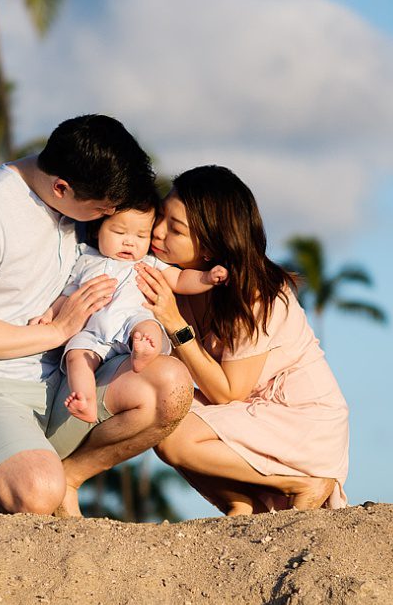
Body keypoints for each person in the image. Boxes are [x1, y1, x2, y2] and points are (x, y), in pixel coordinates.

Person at [0, 114, 195, 517]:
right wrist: (60, 330)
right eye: (102, 208)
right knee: (35, 493)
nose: (109, 217)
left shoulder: (77, 197)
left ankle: (66, 478)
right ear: (61, 188)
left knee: (169, 388)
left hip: (60, 381)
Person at [137, 165, 349, 514]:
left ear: (209, 247)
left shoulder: (254, 291)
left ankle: (302, 481)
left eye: (174, 229)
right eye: (161, 217)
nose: (157, 232)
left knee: (174, 436)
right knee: (157, 414)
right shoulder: (179, 280)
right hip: (245, 413)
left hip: (302, 420)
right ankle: (241, 507)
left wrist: (173, 321)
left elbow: (227, 392)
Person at [38, 188, 229, 425]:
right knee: (76, 356)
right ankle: (84, 399)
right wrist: (50, 315)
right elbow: (67, 295)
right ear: (98, 231)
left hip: (133, 321)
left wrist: (207, 278)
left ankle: (143, 354)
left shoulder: (149, 262)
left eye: (141, 236)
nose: (129, 241)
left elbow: (180, 280)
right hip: (93, 333)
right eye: (119, 232)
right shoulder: (86, 259)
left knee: (148, 328)